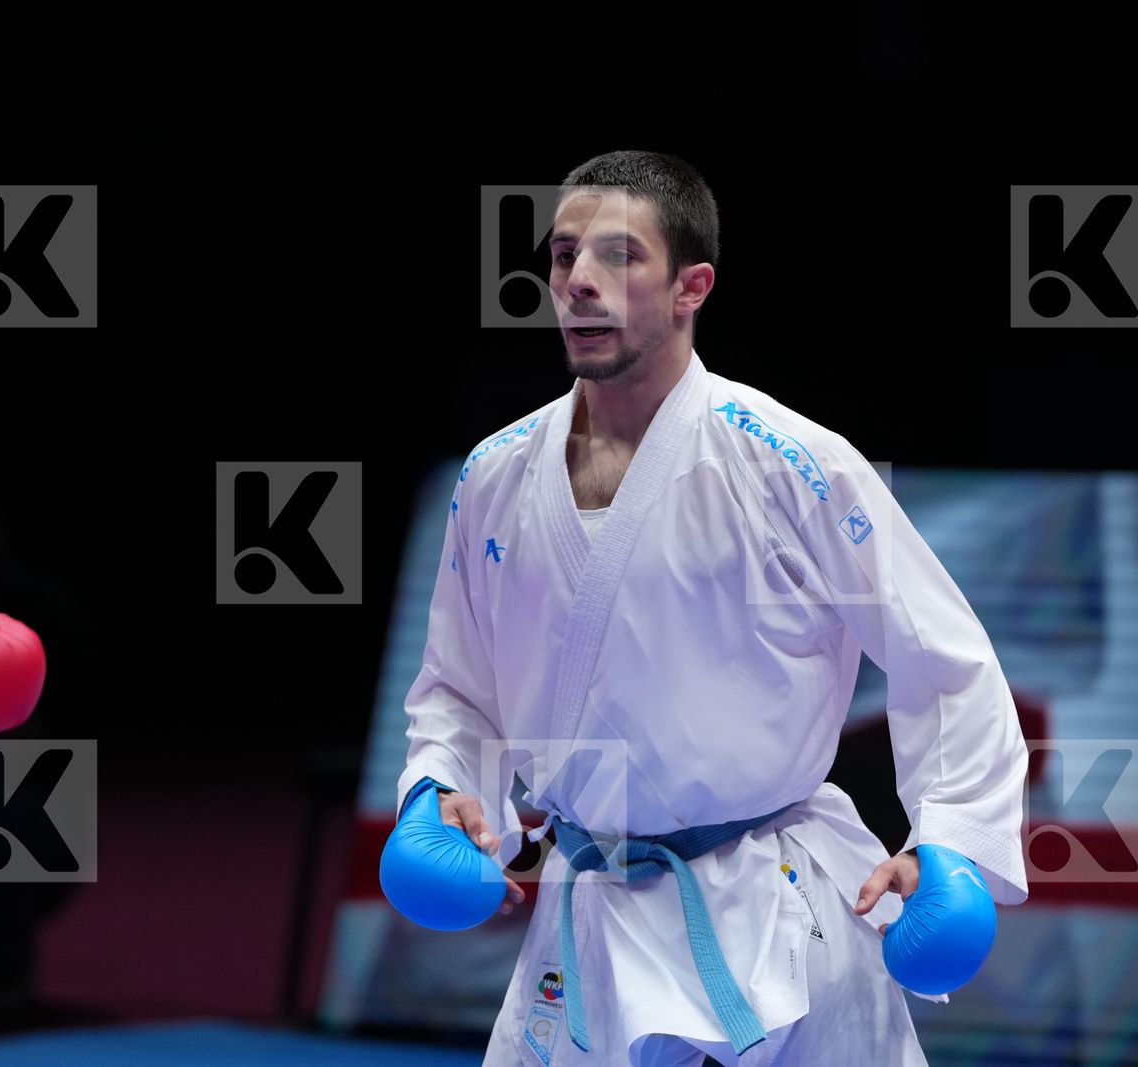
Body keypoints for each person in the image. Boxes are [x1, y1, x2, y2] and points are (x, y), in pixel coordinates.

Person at [398, 150, 1030, 1066]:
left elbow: (946, 654)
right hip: (594, 905)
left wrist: (953, 841)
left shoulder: (790, 461)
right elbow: (458, 681)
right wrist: (441, 784)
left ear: (693, 285)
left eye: (617, 257)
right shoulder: (495, 474)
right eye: (563, 255)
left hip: (779, 903)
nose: (576, 281)